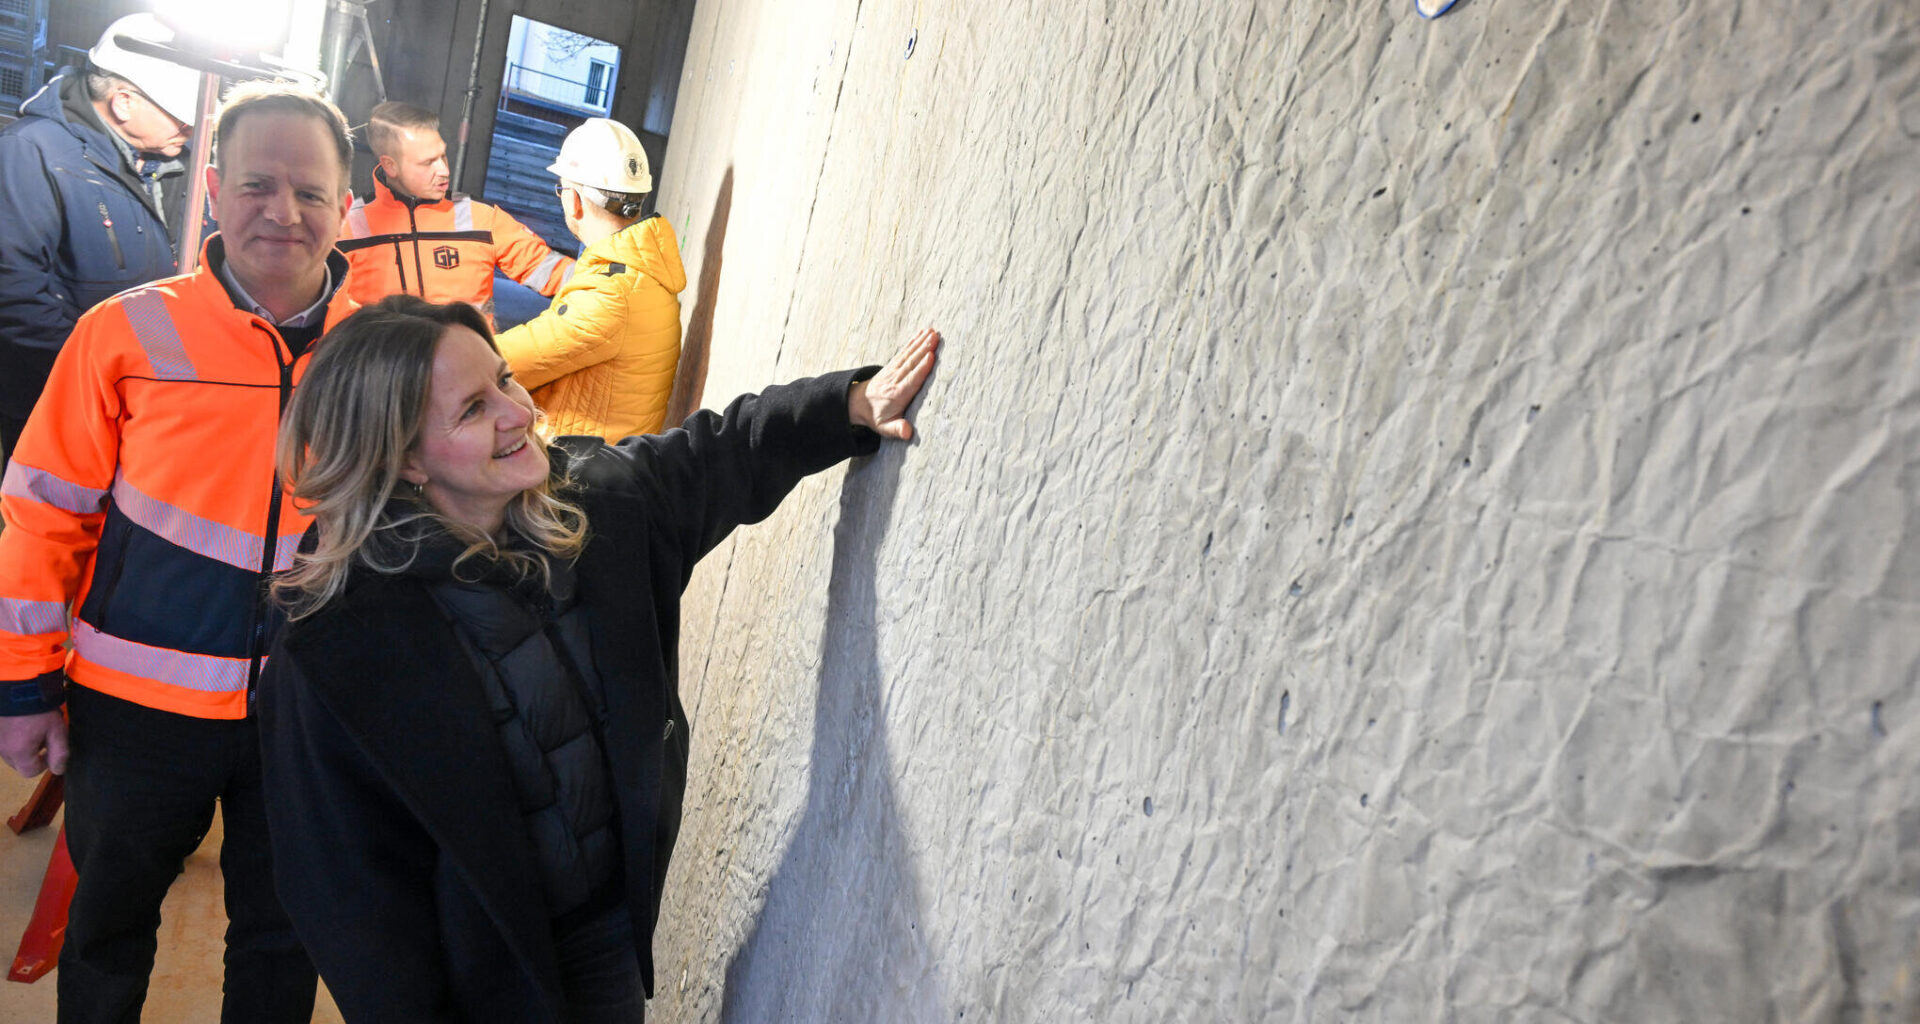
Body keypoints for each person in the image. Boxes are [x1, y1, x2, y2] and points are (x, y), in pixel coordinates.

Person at [257, 294, 939, 1022]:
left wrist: (849, 406)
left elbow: (718, 456)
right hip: (484, 996)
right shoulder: (332, 653)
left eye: (506, 378)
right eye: (472, 409)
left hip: (607, 942)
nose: (518, 411)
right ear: (402, 458)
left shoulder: (592, 505)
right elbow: (349, 905)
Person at [0, 81, 360, 1021]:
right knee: (109, 928)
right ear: (211, 186)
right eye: (256, 184)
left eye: (310, 191)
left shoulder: (384, 353)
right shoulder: (125, 334)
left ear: (346, 206)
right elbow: (44, 517)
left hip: (307, 712)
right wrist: (25, 687)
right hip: (134, 711)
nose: (282, 212)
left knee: (285, 936)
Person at [0, 13, 198, 461]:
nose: (189, 127)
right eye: (178, 114)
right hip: (55, 402)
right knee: (48, 522)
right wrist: (96, 380)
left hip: (145, 403)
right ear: (123, 102)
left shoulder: (170, 161)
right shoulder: (32, 152)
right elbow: (13, 292)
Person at [494, 118, 686, 441]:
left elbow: (501, 362)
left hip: (575, 480)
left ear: (575, 201)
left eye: (562, 189)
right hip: (599, 460)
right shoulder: (639, 271)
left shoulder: (612, 294)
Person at [339, 100, 574, 324]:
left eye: (443, 155)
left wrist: (604, 276)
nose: (443, 170)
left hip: (468, 364)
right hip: (384, 366)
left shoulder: (481, 217)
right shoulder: (348, 228)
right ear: (391, 165)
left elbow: (550, 270)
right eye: (428, 162)